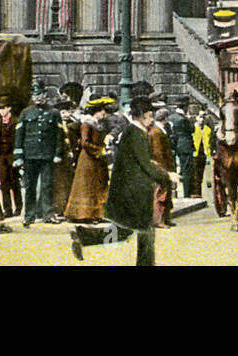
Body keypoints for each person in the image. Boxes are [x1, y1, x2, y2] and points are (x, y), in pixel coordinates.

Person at [70, 97, 175, 265]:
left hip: (128, 190)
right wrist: (167, 176)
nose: (152, 120)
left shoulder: (132, 132)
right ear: (141, 116)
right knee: (145, 231)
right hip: (132, 192)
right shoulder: (137, 134)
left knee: (126, 231)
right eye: (149, 116)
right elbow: (145, 164)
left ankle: (84, 236)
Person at [15, 82, 63, 227]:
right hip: (30, 155)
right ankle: (29, 215)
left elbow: (59, 135)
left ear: (45, 95)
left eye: (40, 95)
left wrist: (58, 153)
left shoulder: (54, 113)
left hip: (47, 155)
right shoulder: (25, 113)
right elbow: (19, 135)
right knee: (30, 186)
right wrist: (18, 156)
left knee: (47, 185)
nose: (37, 98)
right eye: (34, 95)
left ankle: (48, 214)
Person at [63, 97, 112, 223]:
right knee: (87, 186)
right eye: (102, 111)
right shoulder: (87, 124)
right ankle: (84, 215)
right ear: (96, 112)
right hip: (88, 160)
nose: (104, 114)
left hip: (96, 159)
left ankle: (96, 214)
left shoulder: (97, 124)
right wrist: (98, 151)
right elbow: (85, 143)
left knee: (96, 186)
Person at [0, 96, 21, 218]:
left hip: (12, 156)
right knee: (3, 184)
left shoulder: (16, 122)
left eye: (3, 108)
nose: (1, 111)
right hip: (2, 157)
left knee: (15, 183)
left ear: (9, 108)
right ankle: (7, 209)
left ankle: (18, 208)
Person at [149, 108, 176, 227]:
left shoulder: (158, 130)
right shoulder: (157, 132)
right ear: (165, 119)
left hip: (164, 165)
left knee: (166, 192)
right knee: (161, 193)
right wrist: (165, 169)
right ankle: (159, 220)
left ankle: (166, 218)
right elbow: (158, 152)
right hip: (161, 165)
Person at [54, 99, 80, 219]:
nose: (65, 115)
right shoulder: (55, 125)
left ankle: (69, 209)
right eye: (63, 112)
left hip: (72, 156)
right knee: (60, 184)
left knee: (70, 182)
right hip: (60, 157)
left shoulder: (74, 124)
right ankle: (59, 209)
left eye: (67, 112)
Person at [168, 98, 196, 199]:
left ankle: (174, 194)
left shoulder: (171, 117)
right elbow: (192, 129)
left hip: (174, 145)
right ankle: (187, 194)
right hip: (185, 146)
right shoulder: (184, 119)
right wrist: (190, 120)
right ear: (185, 107)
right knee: (186, 171)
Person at [192, 111, 214, 198]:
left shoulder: (207, 129)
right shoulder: (193, 128)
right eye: (200, 117)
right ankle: (197, 192)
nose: (202, 120)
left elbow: (211, 140)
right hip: (195, 153)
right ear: (196, 118)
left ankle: (209, 194)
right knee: (196, 174)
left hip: (205, 154)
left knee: (207, 175)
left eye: (203, 118)